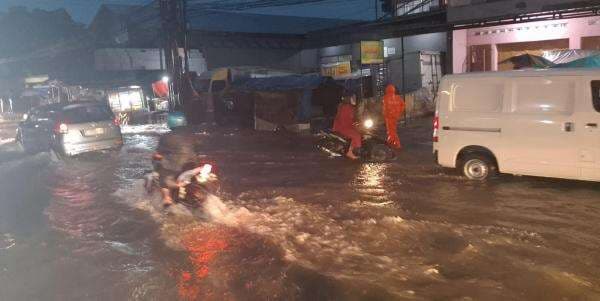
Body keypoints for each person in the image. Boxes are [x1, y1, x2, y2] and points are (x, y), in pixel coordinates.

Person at [333, 93, 361, 160]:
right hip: (342, 128)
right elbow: (345, 121)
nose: (354, 99)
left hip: (346, 126)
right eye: (353, 98)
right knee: (356, 136)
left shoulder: (350, 107)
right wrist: (355, 125)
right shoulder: (346, 107)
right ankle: (350, 152)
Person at [383, 84, 405, 149]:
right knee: (392, 130)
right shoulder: (398, 98)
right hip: (395, 117)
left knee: (391, 130)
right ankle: (390, 141)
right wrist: (399, 112)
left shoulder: (385, 98)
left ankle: (397, 143)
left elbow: (384, 108)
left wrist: (385, 115)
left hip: (389, 117)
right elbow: (403, 105)